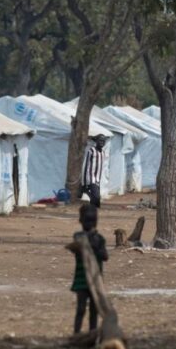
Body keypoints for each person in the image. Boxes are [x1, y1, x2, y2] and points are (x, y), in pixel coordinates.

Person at [70, 203, 108, 334]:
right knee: (80, 309)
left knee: (94, 309)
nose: (90, 224)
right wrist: (91, 241)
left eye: (92, 221)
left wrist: (97, 247)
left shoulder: (100, 239)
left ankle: (93, 332)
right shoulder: (78, 237)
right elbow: (77, 247)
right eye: (87, 221)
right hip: (82, 279)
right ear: (81, 221)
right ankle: (76, 333)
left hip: (95, 280)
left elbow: (105, 256)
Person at [82, 134, 106, 208]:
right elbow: (86, 165)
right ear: (96, 141)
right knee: (96, 196)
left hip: (98, 178)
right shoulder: (91, 151)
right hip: (91, 177)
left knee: (97, 202)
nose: (102, 142)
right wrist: (84, 182)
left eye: (103, 141)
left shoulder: (103, 152)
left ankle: (92, 209)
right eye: (100, 141)